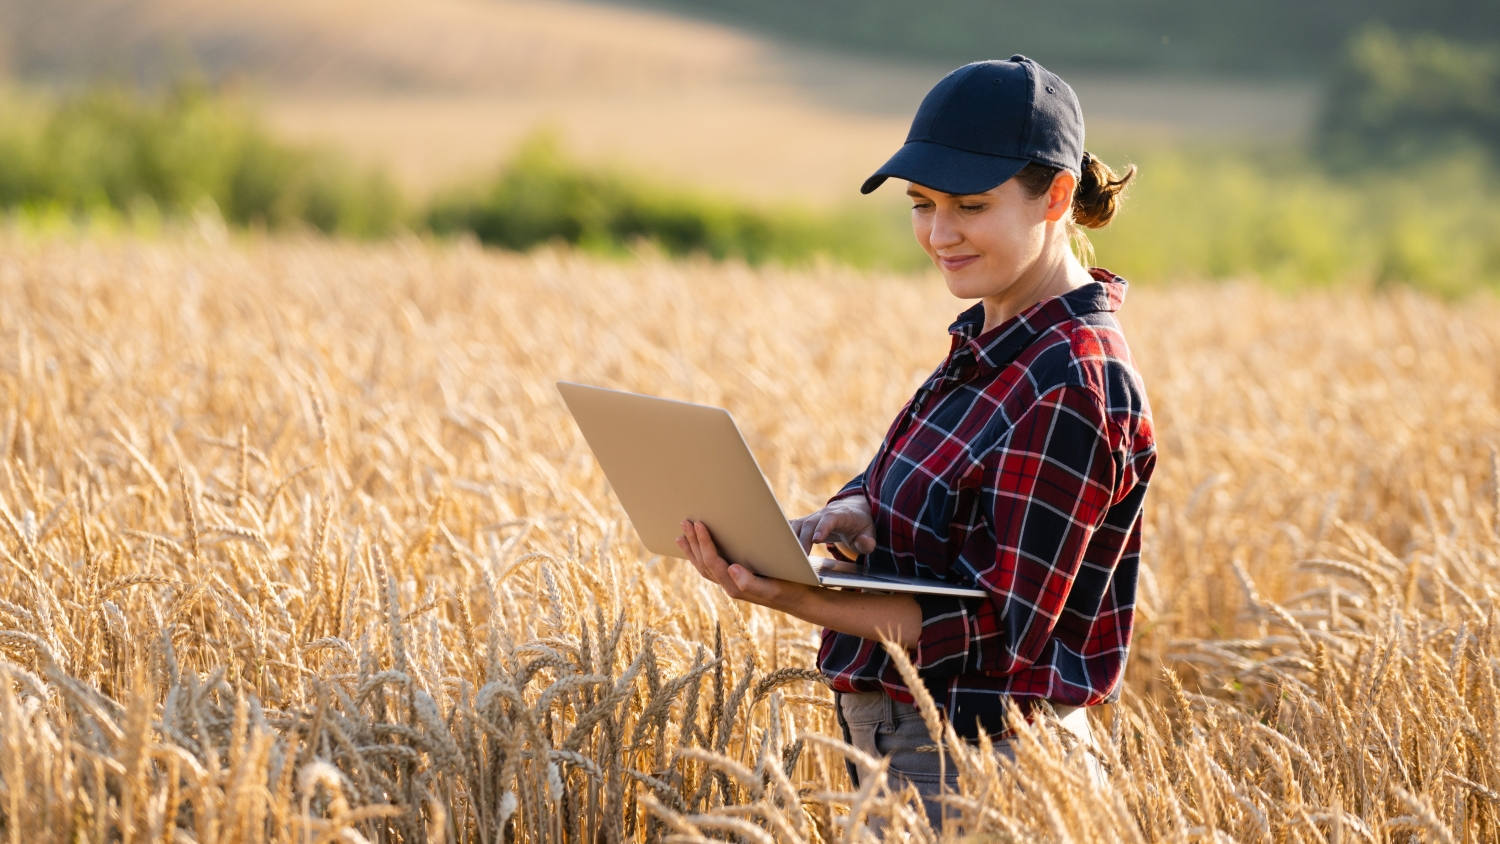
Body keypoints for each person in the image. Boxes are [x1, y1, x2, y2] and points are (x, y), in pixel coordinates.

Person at [675, 55, 1155, 827]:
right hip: (913, 759)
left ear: (1056, 196)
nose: (938, 234)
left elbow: (997, 634)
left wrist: (798, 596)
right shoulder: (997, 343)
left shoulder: (1071, 380)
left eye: (969, 204)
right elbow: (918, 491)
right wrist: (856, 512)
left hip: (981, 772)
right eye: (922, 204)